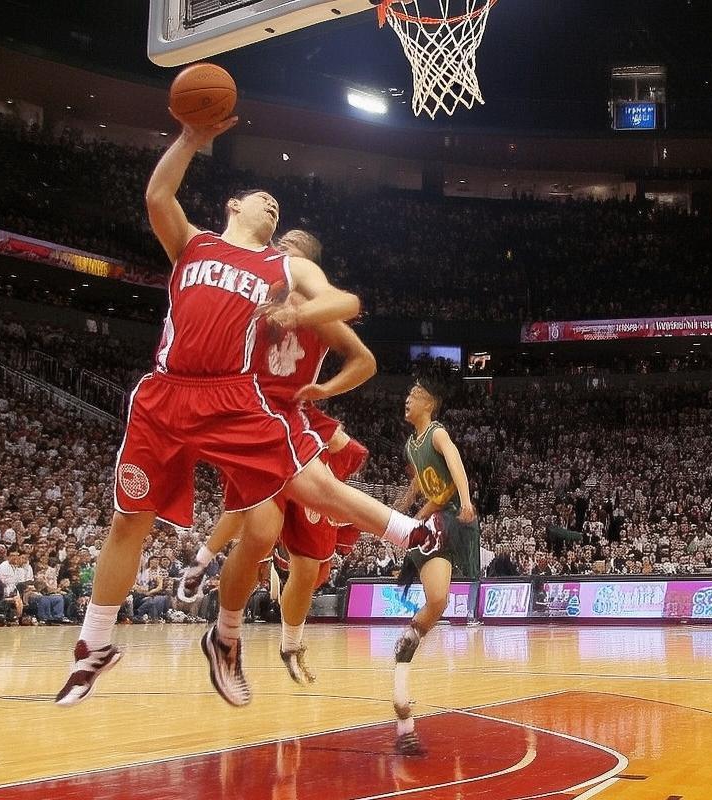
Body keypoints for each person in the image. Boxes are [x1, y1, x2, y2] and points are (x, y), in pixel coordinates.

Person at [55, 117, 438, 708]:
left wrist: (299, 317)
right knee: (129, 520)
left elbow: (346, 301)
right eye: (263, 198)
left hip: (233, 397)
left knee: (297, 497)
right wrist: (190, 137)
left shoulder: (281, 271)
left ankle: (402, 533)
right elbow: (157, 196)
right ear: (233, 205)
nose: (273, 206)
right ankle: (94, 644)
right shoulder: (194, 242)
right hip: (165, 393)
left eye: (279, 208)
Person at [175, 228, 375, 685]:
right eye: (278, 243)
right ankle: (211, 592)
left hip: (298, 425)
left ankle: (291, 644)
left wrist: (325, 389)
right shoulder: (250, 294)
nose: (280, 247)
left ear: (308, 264)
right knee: (260, 532)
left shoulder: (319, 313)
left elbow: (365, 361)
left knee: (307, 563)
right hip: (249, 420)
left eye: (292, 245)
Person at [390, 377, 481, 755]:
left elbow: (456, 465)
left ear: (429, 404)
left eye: (415, 395)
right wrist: (401, 514)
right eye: (408, 393)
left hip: (454, 517)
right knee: (439, 598)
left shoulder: (437, 434)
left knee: (440, 601)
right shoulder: (410, 446)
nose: (407, 399)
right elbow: (425, 491)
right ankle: (410, 637)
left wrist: (466, 501)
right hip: (437, 521)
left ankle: (411, 635)